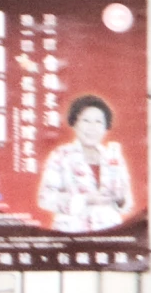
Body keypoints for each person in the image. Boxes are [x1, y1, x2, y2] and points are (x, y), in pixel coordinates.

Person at [36, 95, 134, 233]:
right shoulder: (61, 155)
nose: (92, 128)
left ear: (106, 127)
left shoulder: (113, 157)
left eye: (98, 122)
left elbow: (127, 201)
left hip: (109, 233)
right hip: (71, 234)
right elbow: (45, 198)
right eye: (86, 121)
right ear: (75, 123)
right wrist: (85, 200)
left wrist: (120, 199)